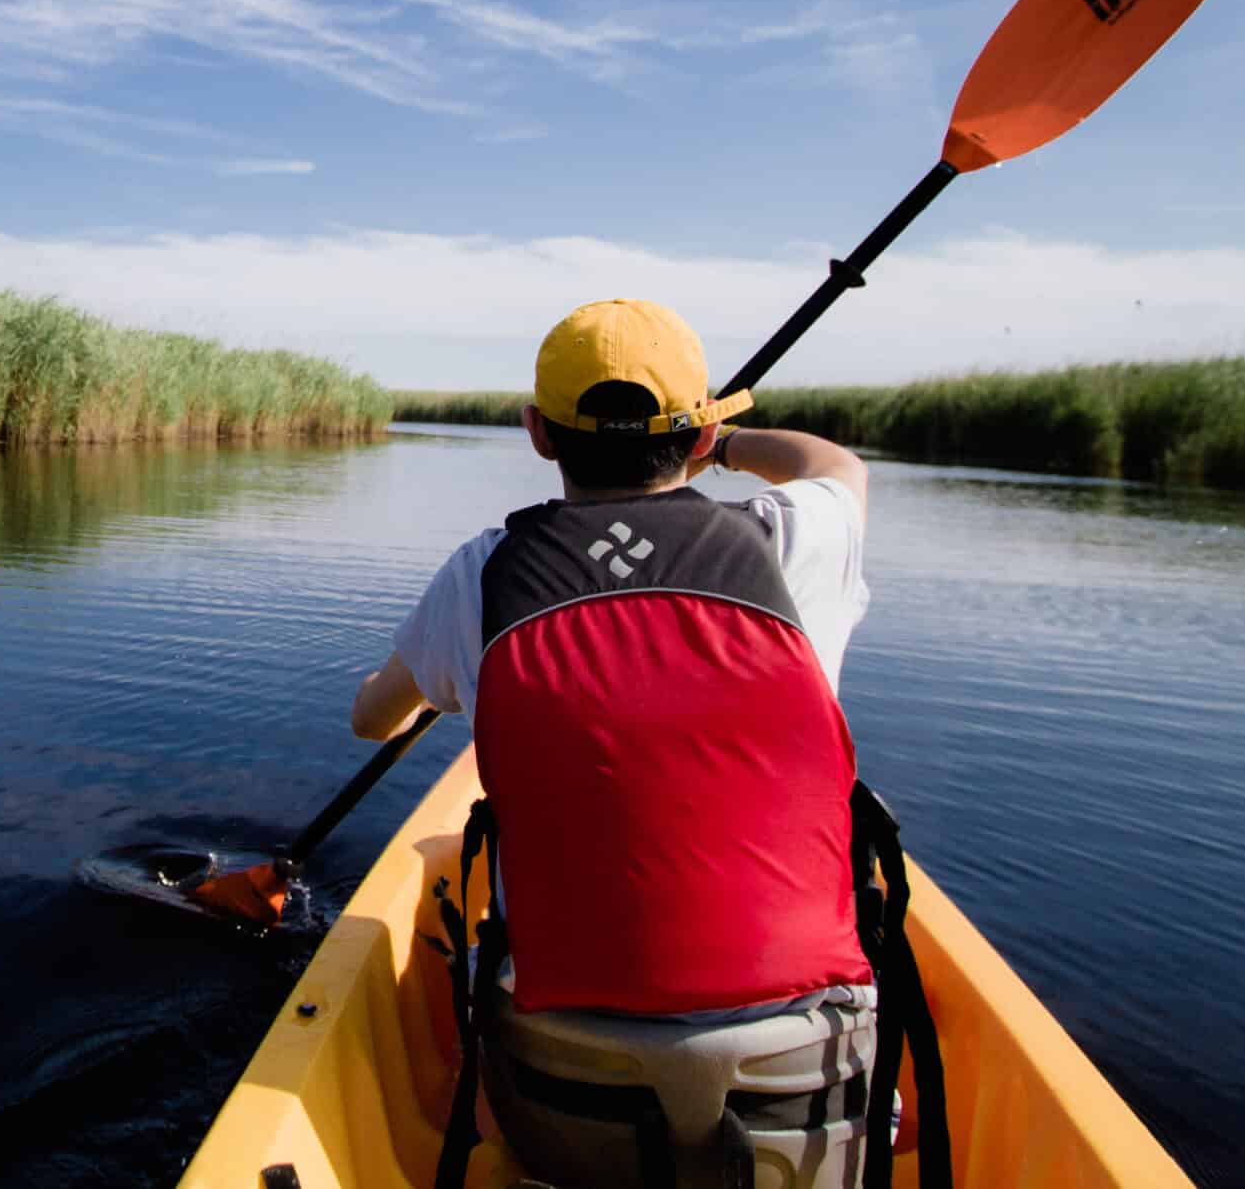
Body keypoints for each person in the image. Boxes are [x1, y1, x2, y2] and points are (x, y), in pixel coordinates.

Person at [348, 297, 885, 1188]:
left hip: (565, 1101)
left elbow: (372, 717)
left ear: (538, 433)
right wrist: (731, 438)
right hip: (802, 1103)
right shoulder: (793, 541)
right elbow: (836, 465)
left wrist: (419, 697)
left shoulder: (484, 573)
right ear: (701, 434)